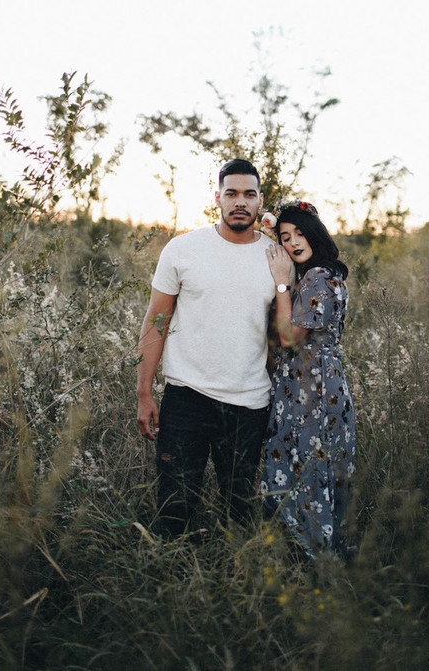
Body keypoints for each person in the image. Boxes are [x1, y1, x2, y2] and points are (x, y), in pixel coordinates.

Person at [136, 159, 276, 537]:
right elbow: (156, 322)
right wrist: (144, 392)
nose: (240, 202)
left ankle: (235, 582)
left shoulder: (277, 258)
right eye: (231, 193)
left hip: (249, 403)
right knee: (174, 508)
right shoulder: (183, 249)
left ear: (261, 201)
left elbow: (282, 337)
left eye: (249, 194)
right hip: (187, 399)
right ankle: (171, 579)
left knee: (239, 510)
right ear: (218, 198)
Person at [260, 199, 355, 559]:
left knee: (307, 464)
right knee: (306, 463)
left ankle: (310, 555)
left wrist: (282, 284)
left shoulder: (319, 278)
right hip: (305, 382)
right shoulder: (320, 274)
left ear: (316, 234)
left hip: (313, 387)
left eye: (301, 233)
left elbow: (288, 336)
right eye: (285, 237)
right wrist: (270, 220)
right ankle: (305, 553)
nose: (293, 242)